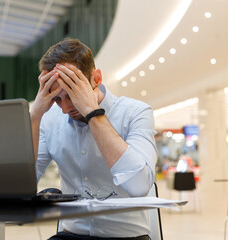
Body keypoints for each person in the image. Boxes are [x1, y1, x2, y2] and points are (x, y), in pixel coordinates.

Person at [30, 38, 158, 240]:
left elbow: (139, 185)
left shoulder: (136, 112)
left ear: (96, 79)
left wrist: (92, 112)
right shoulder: (49, 121)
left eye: (72, 94)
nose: (65, 109)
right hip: (71, 234)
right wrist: (34, 117)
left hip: (126, 237)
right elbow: (22, 185)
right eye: (56, 99)